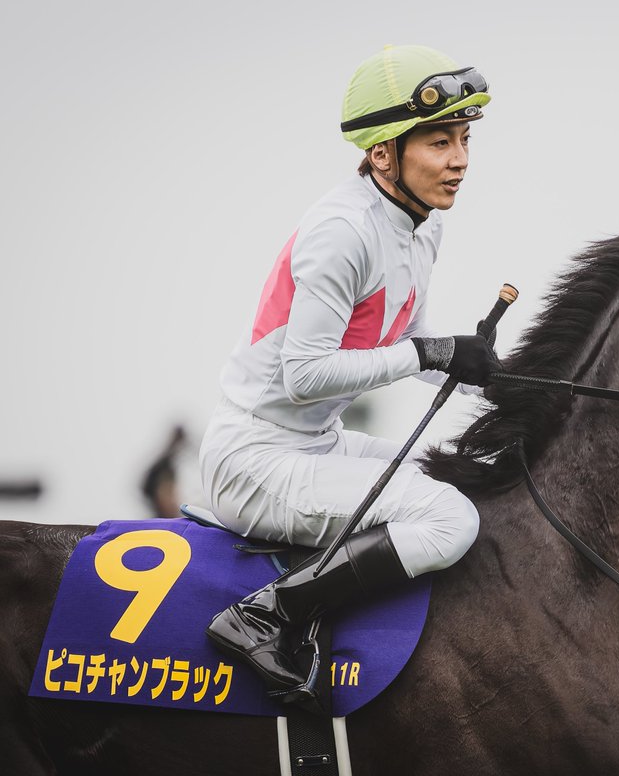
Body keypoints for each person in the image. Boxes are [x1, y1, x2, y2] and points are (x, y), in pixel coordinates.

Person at [199, 44, 498, 706]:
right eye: (439, 142)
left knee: (460, 474)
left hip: (317, 444)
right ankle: (268, 613)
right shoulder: (343, 231)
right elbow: (305, 374)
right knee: (450, 520)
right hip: (255, 459)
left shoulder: (420, 228)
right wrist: (433, 354)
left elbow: (405, 340)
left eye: (464, 139)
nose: (460, 160)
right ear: (384, 153)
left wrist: (497, 376)